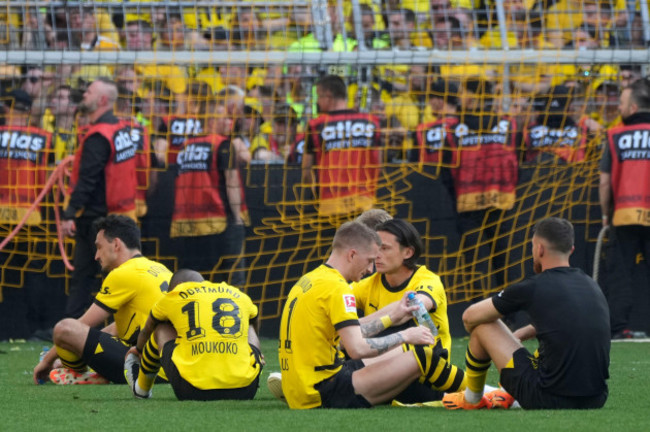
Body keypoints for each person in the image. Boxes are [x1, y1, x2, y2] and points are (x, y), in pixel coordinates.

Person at [278, 221, 468, 409]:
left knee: (403, 350)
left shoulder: (309, 279)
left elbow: (350, 339)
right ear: (352, 254)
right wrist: (404, 335)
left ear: (407, 252)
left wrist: (391, 317)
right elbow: (357, 348)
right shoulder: (339, 288)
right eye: (370, 260)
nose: (371, 267)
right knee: (421, 354)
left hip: (301, 387)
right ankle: (480, 391)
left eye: (385, 249)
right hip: (326, 389)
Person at [442, 217, 610, 410]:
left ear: (539, 249)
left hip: (547, 398)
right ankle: (506, 393)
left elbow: (469, 317)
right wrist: (520, 334)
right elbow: (569, 322)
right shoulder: (590, 284)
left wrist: (498, 344)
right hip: (596, 398)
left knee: (483, 325)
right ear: (571, 250)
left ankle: (472, 399)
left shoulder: (534, 286)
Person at [33, 215, 173, 385]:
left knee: (64, 329)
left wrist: (46, 361)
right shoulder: (160, 269)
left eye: (99, 247)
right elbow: (116, 329)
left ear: (116, 244)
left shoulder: (123, 273)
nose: (96, 256)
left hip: (146, 368)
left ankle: (77, 372)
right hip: (170, 367)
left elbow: (81, 326)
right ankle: (86, 370)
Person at [352, 219, 465, 403]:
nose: (376, 255)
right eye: (375, 248)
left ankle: (480, 390)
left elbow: (414, 307)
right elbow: (337, 308)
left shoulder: (428, 280)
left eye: (385, 248)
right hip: (381, 370)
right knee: (345, 340)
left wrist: (358, 327)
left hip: (423, 376)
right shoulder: (368, 284)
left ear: (408, 252)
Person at [60, 78, 139, 318]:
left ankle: (72, 328)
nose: (84, 95)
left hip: (99, 219)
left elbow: (88, 181)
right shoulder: (122, 129)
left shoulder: (98, 136)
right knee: (116, 279)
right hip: (123, 217)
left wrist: (69, 213)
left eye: (89, 92)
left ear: (102, 100)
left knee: (84, 278)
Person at [124, 269, 263, 400]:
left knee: (161, 327)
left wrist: (138, 350)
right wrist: (254, 353)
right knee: (248, 327)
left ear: (178, 286)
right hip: (246, 389)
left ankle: (141, 389)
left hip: (192, 390)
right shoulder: (237, 293)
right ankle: (256, 366)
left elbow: (147, 330)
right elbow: (255, 321)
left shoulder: (174, 295)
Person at [169, 96, 249, 286]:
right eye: (224, 117)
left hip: (188, 226)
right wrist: (237, 219)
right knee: (232, 279)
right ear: (212, 120)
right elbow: (231, 183)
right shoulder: (222, 144)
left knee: (194, 280)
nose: (228, 121)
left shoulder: (184, 147)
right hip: (220, 221)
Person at [599, 77, 650, 339]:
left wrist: (606, 215)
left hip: (624, 214)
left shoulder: (615, 134)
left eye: (620, 102)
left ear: (632, 108)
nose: (618, 107)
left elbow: (605, 181)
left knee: (621, 274)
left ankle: (619, 328)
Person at [302, 75, 382, 217]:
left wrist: (315, 193)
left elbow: (306, 171)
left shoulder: (316, 125)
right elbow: (378, 164)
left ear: (328, 95)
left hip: (331, 204)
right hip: (364, 203)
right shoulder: (371, 122)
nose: (318, 102)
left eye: (319, 97)